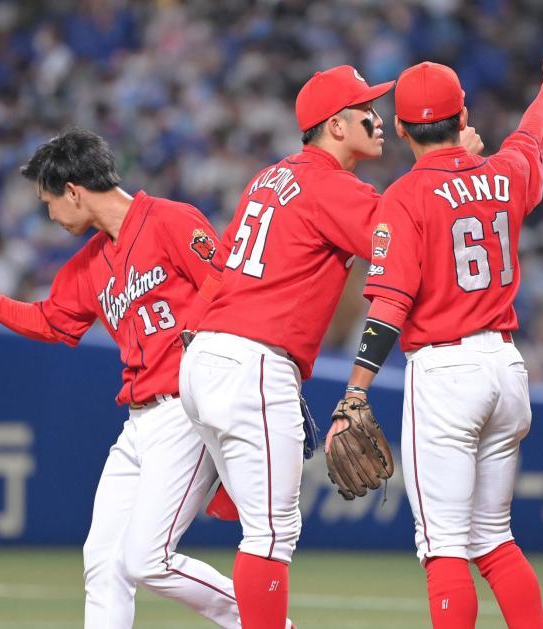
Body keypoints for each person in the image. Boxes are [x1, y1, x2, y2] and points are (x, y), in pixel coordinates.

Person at [178, 64, 482, 628]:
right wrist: (453, 164)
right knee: (272, 534)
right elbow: (408, 240)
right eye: (367, 109)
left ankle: (229, 493)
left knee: (241, 526)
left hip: (205, 357)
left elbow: (220, 270)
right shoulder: (331, 186)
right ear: (336, 125)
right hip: (252, 360)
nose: (379, 118)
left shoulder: (270, 176)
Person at [0, 128, 265, 628]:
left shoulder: (172, 220)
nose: (49, 214)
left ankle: (266, 622)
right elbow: (50, 321)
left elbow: (225, 287)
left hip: (185, 408)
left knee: (148, 560)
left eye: (50, 200)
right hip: (137, 422)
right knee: (104, 559)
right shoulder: (91, 263)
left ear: (74, 190)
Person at [323, 54, 543, 629]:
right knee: (494, 539)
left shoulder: (405, 197)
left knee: (443, 548)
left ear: (404, 128)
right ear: (462, 115)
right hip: (506, 366)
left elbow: (389, 305)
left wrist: (356, 391)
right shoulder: (505, 171)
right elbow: (531, 137)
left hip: (445, 374)